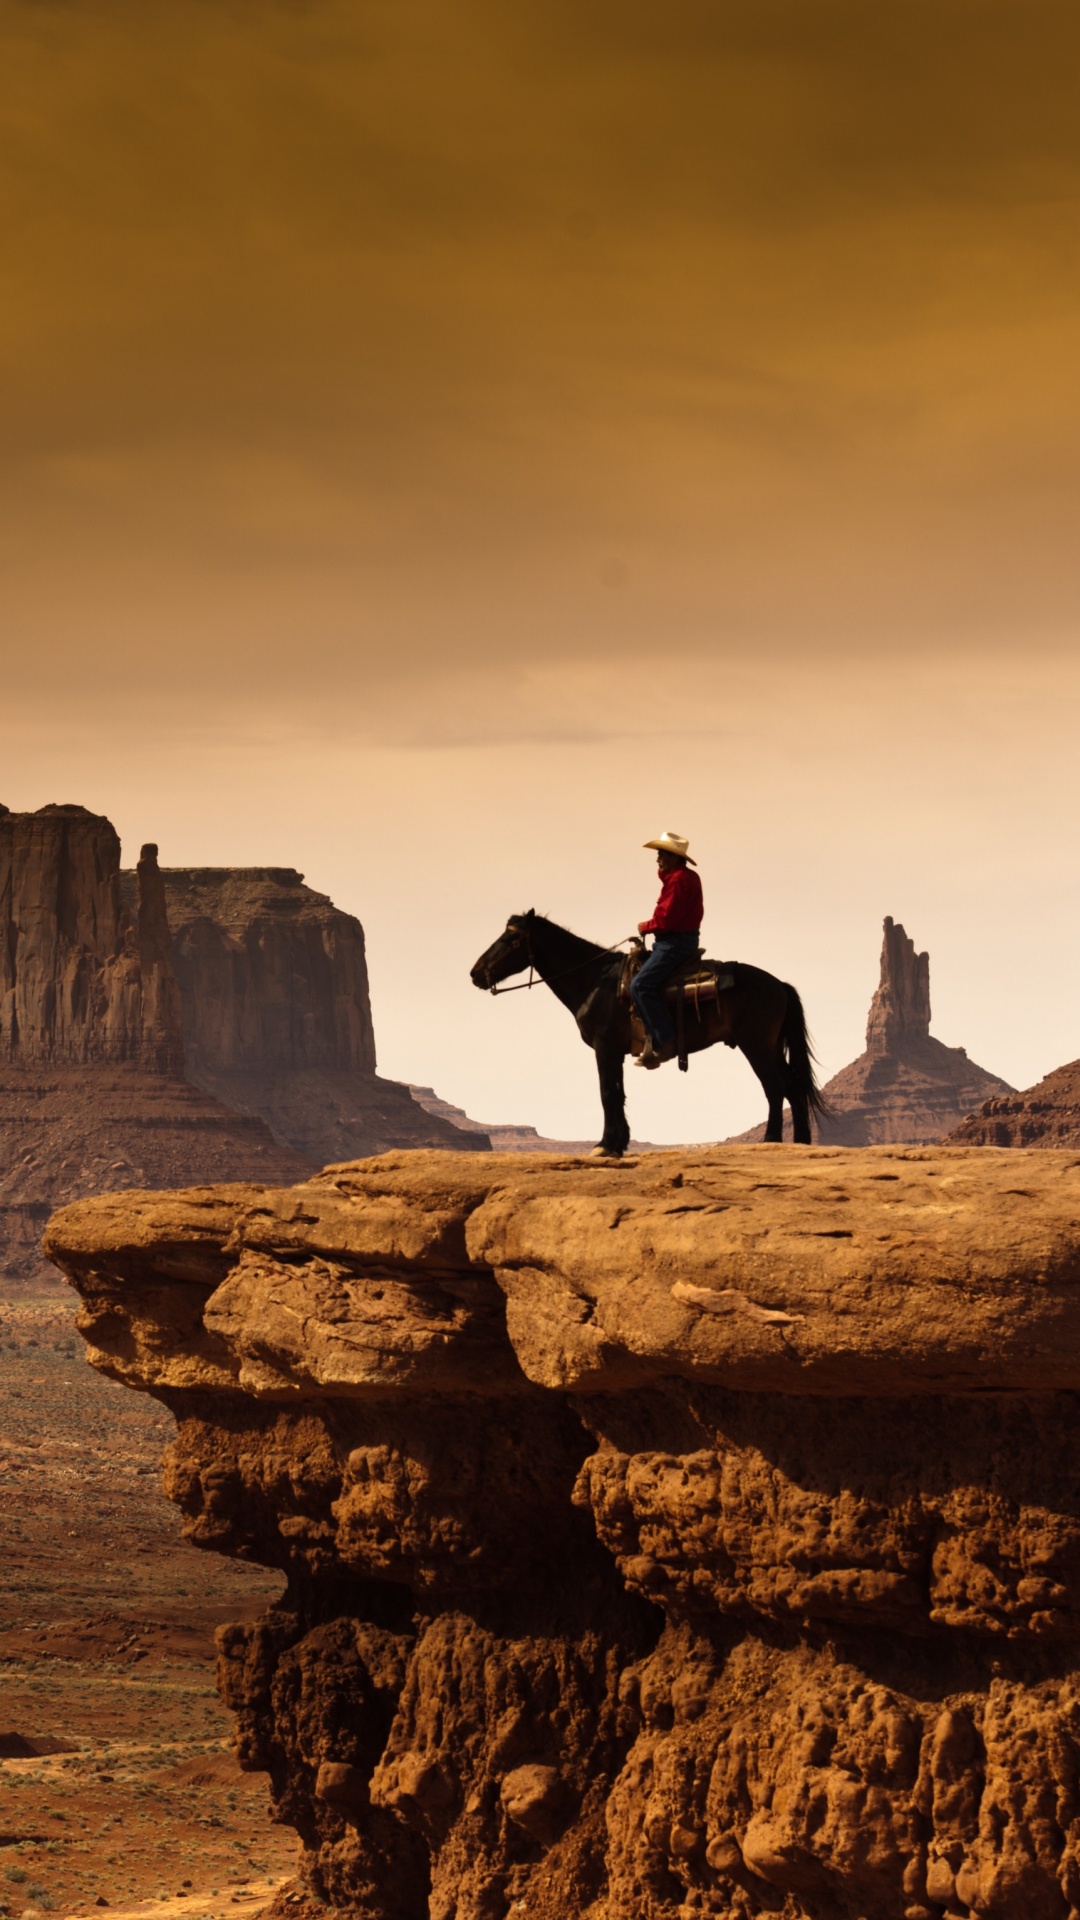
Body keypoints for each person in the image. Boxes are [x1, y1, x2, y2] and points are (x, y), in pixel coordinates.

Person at [631, 831, 704, 1068]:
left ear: (674, 857)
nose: (658, 859)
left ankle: (665, 1041)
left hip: (674, 943)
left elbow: (667, 919)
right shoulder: (682, 877)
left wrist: (645, 926)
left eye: (662, 854)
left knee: (641, 985)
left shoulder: (679, 880)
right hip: (678, 940)